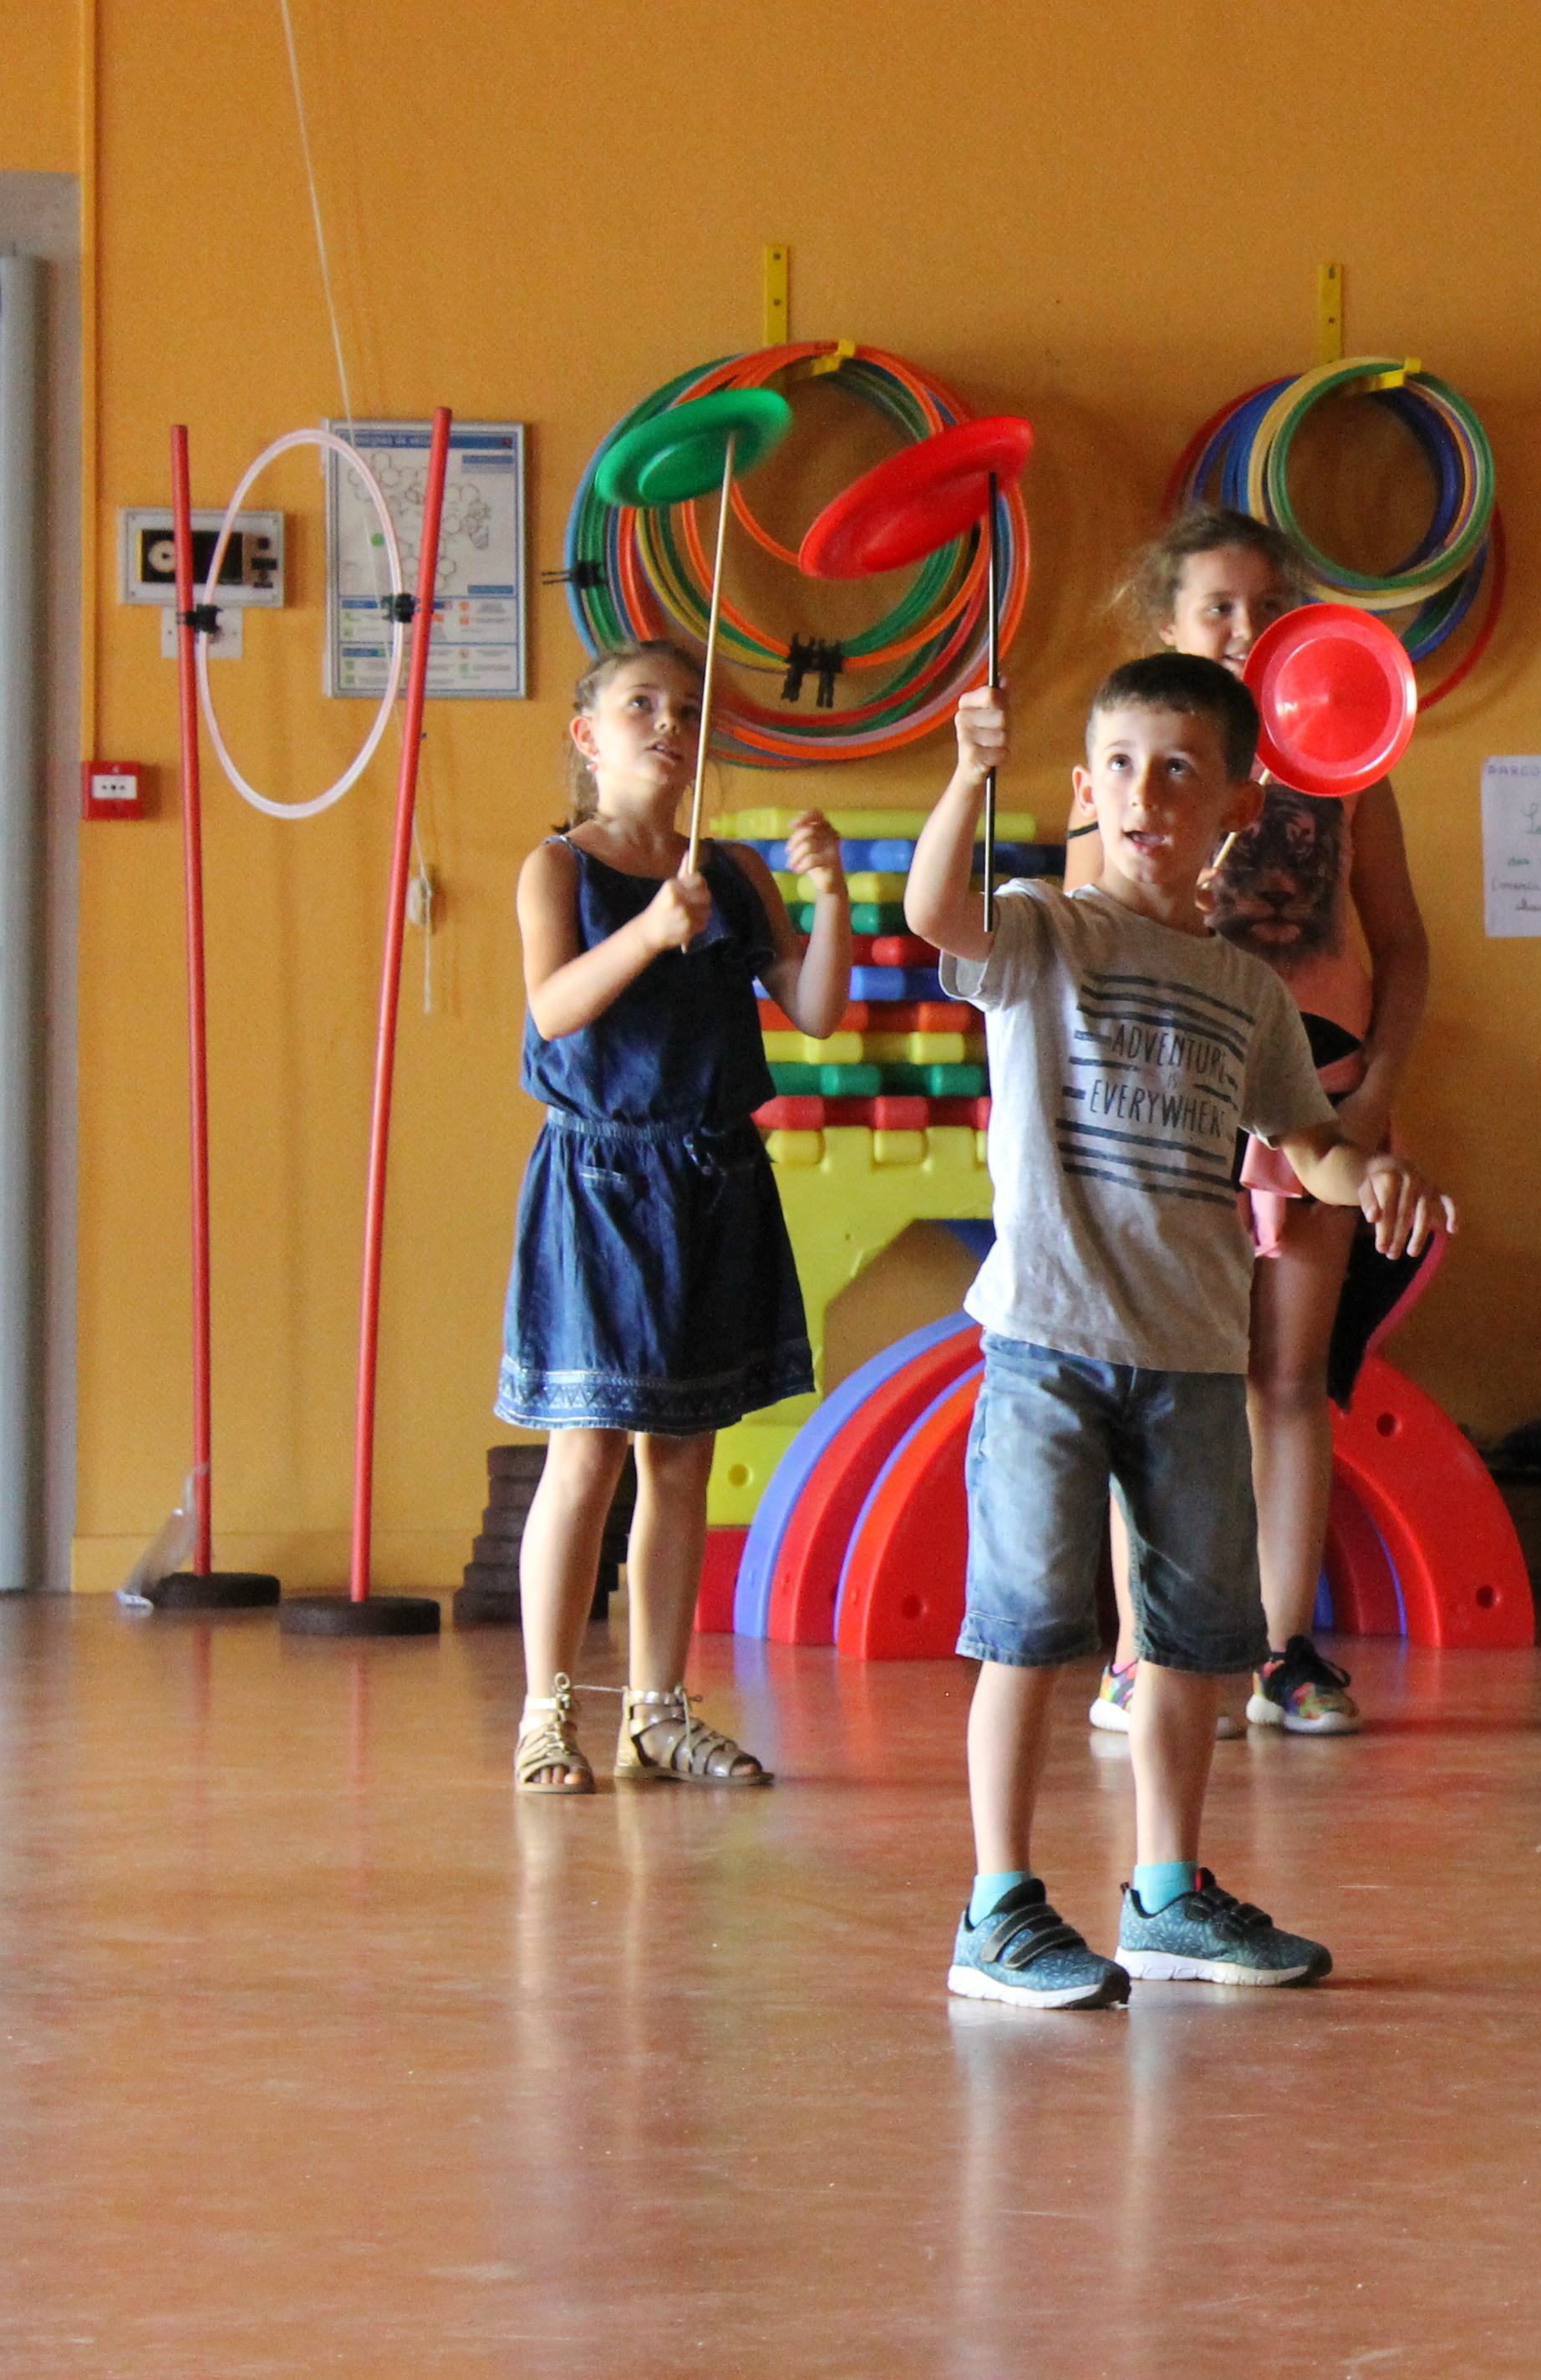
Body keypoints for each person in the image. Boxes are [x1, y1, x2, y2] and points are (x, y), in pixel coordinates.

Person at [915, 654, 1448, 2008]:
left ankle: (1167, 1896)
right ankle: (997, 1909)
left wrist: (1373, 1176)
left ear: (1238, 805)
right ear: (1084, 789)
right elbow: (934, 912)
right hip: (1047, 1345)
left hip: (1196, 1357)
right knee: (1028, 1631)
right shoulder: (1040, 930)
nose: (1146, 794)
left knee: (1193, 1641)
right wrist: (968, 776)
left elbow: (1308, 1145)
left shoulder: (1250, 994)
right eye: (1121, 766)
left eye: (1179, 770)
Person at [1076, 506, 1435, 1744]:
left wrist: (1371, 1098)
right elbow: (1084, 948)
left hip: (1317, 1102)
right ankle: (1144, 1650)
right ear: (1167, 624)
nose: (1245, 628)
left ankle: (1282, 1648)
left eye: (1268, 606)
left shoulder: (1352, 767)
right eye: (1218, 608)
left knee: (1289, 1380)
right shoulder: (1129, 774)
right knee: (1168, 1381)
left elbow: (1403, 944)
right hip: (1171, 1108)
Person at [500, 643, 850, 1793]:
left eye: (688, 709)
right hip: (603, 1184)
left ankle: (657, 1712)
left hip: (714, 1181)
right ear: (586, 735)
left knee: (684, 1455)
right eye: (640, 705)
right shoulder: (558, 867)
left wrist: (828, 896)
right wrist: (651, 932)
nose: (668, 723)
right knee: (588, 1449)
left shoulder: (732, 871)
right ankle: (547, 1714)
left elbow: (816, 1009)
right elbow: (555, 1009)